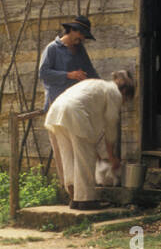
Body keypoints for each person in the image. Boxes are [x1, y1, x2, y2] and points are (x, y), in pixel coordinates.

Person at [44, 70, 135, 210]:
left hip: (57, 110)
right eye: (126, 99)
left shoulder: (97, 85)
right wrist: (112, 157)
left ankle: (74, 198)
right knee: (84, 158)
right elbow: (111, 126)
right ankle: (86, 200)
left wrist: (103, 154)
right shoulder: (114, 93)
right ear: (124, 92)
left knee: (68, 156)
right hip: (74, 112)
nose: (123, 102)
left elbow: (96, 129)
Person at [38, 15, 99, 109]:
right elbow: (43, 73)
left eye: (84, 36)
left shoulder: (80, 49)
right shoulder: (52, 48)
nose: (82, 38)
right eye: (81, 34)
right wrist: (69, 75)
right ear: (71, 30)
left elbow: (90, 71)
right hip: (57, 104)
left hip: (76, 103)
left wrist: (103, 87)